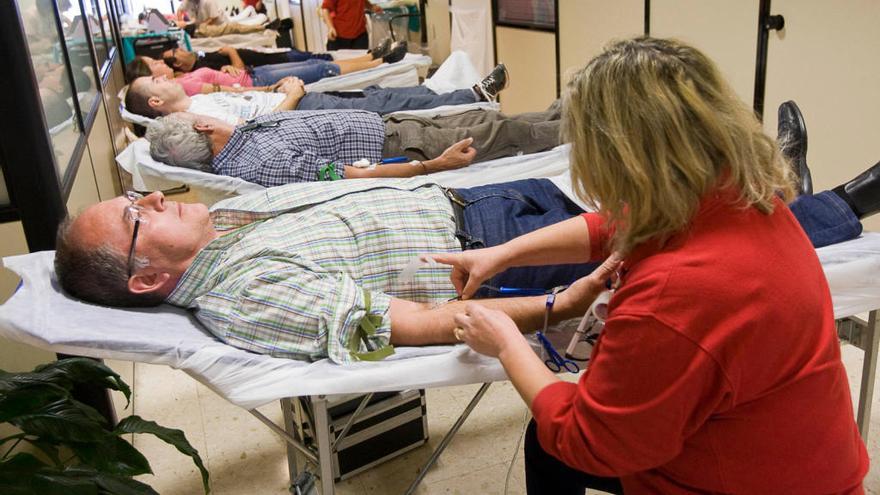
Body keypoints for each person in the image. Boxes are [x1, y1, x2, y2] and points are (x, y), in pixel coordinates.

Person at [432, 37, 870, 494]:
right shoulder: (746, 200)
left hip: (740, 475)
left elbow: (585, 439)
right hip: (803, 461)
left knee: (552, 441)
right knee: (545, 448)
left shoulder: (671, 297)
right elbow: (619, 223)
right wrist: (500, 254)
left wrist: (506, 344)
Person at [54, 147, 880, 367]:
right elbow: (419, 322)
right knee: (688, 247)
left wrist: (434, 171)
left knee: (652, 214)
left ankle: (779, 191)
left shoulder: (223, 224)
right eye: (134, 212)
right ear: (150, 278)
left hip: (482, 208)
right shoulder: (243, 294)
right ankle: (840, 204)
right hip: (490, 260)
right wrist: (563, 307)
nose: (152, 196)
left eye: (139, 193)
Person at [144, 102, 559, 184]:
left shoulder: (242, 139)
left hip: (394, 125)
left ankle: (570, 113)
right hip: (405, 146)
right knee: (507, 135)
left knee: (494, 120)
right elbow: (348, 175)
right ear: (201, 128)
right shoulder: (262, 162)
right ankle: (586, 127)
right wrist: (433, 166)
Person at [123, 64, 508, 123]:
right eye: (155, 82)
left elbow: (248, 100)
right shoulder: (196, 120)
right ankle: (473, 96)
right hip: (299, 113)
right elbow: (257, 130)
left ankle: (466, 95)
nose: (163, 76)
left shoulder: (199, 101)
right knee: (385, 105)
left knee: (380, 95)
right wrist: (291, 94)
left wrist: (276, 87)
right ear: (156, 103)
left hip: (294, 100)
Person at [126, 41, 406, 96]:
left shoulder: (184, 78)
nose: (161, 63)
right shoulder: (183, 87)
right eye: (155, 65)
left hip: (252, 73)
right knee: (321, 70)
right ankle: (383, 61)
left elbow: (220, 80)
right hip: (256, 80)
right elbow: (225, 90)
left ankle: (374, 58)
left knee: (316, 64)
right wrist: (269, 90)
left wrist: (225, 64)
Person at [160, 44, 338, 73]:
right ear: (177, 63)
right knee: (319, 63)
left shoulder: (200, 58)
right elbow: (238, 70)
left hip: (268, 58)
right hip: (269, 65)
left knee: (312, 57)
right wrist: (231, 51)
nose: (181, 48)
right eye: (177, 51)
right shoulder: (202, 69)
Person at [176, 0, 265, 37]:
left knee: (237, 24)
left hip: (221, 22)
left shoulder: (208, 1)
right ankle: (251, 10)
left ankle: (261, 17)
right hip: (207, 26)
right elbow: (179, 10)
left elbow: (214, 17)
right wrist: (181, 21)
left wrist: (203, 26)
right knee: (238, 20)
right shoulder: (188, 2)